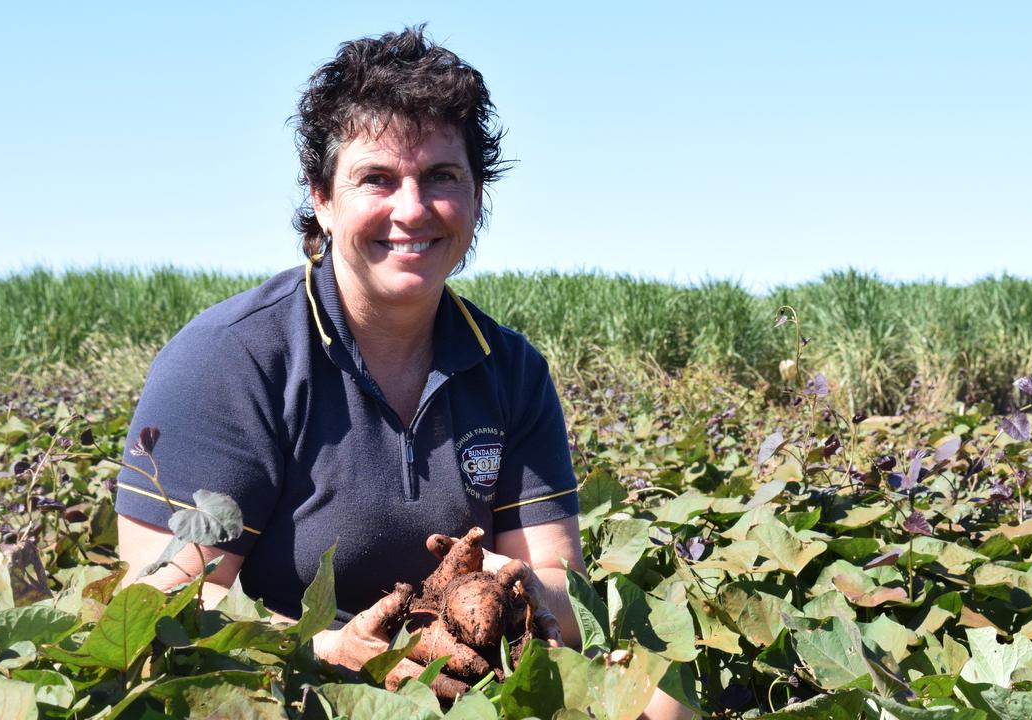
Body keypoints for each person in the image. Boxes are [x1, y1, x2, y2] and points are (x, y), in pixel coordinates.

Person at [115, 27, 690, 719]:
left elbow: (559, 587)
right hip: (285, 684)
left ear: (476, 198)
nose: (412, 209)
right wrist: (335, 649)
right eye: (377, 179)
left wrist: (511, 598)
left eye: (441, 177)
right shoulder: (230, 359)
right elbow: (168, 603)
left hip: (468, 682)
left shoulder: (509, 369)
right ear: (323, 199)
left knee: (661, 704)